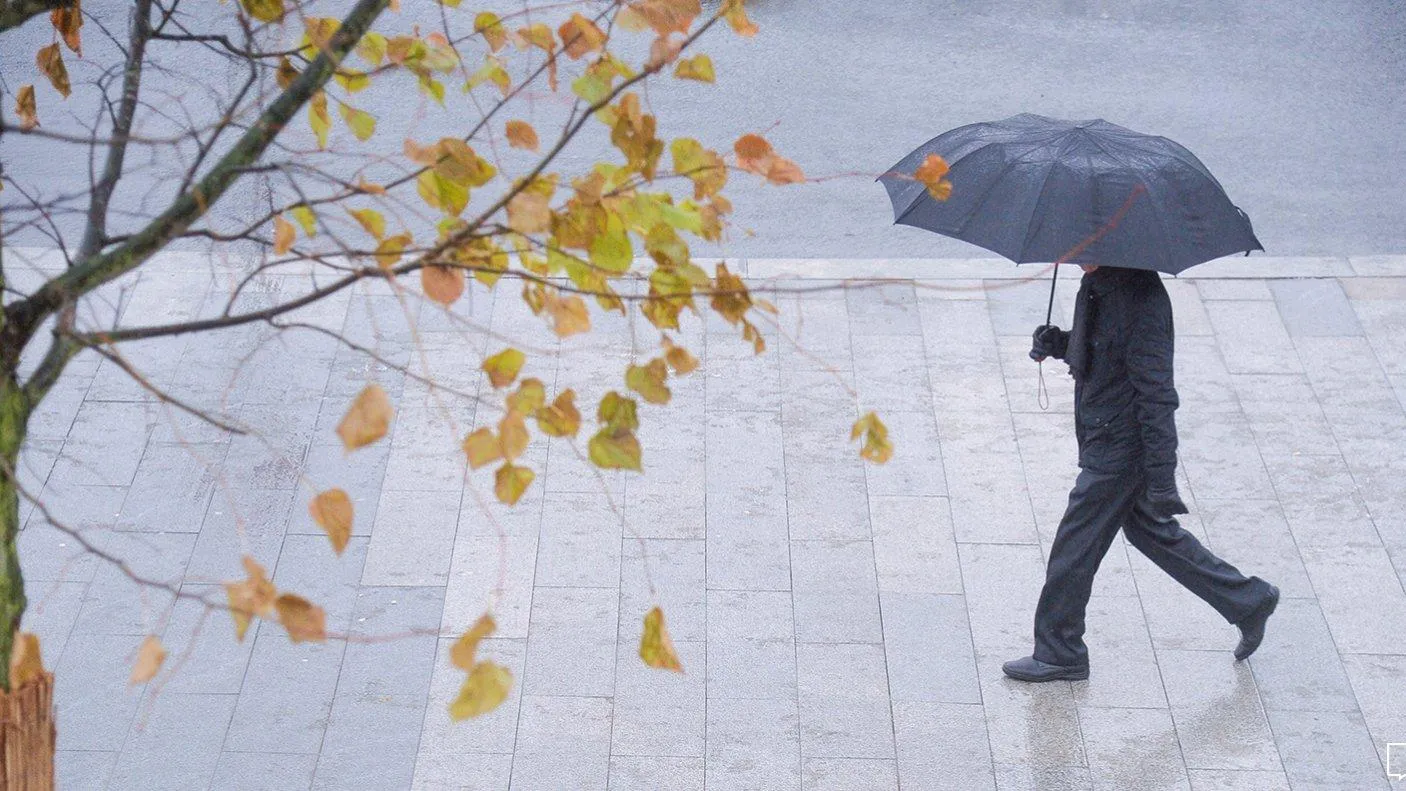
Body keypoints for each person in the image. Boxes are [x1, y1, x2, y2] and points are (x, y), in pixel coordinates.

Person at [1002, 263, 1279, 683]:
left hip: (1123, 444)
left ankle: (1060, 650)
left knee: (1074, 544)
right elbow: (1102, 346)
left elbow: (1157, 392)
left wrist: (1162, 475)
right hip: (1103, 430)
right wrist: (1059, 343)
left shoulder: (1143, 302)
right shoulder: (1099, 281)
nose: (1074, 253)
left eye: (1083, 244)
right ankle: (1248, 600)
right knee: (1149, 531)